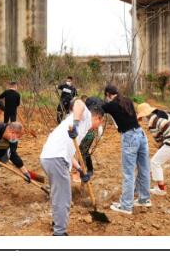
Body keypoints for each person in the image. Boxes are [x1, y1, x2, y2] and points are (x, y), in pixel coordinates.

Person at [40, 98, 103, 235]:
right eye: (100, 121)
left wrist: (80, 170)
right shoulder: (84, 117)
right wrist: (75, 123)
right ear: (97, 117)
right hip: (56, 158)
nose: (98, 125)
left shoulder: (80, 127)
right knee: (64, 197)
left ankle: (57, 223)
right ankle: (59, 233)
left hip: (51, 158)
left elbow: (71, 155)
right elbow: (78, 102)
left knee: (59, 196)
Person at [102, 84, 151, 214]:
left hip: (130, 138)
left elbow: (99, 107)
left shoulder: (111, 105)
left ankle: (126, 206)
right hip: (141, 134)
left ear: (108, 95)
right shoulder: (127, 100)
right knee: (144, 168)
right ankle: (144, 199)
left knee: (128, 173)